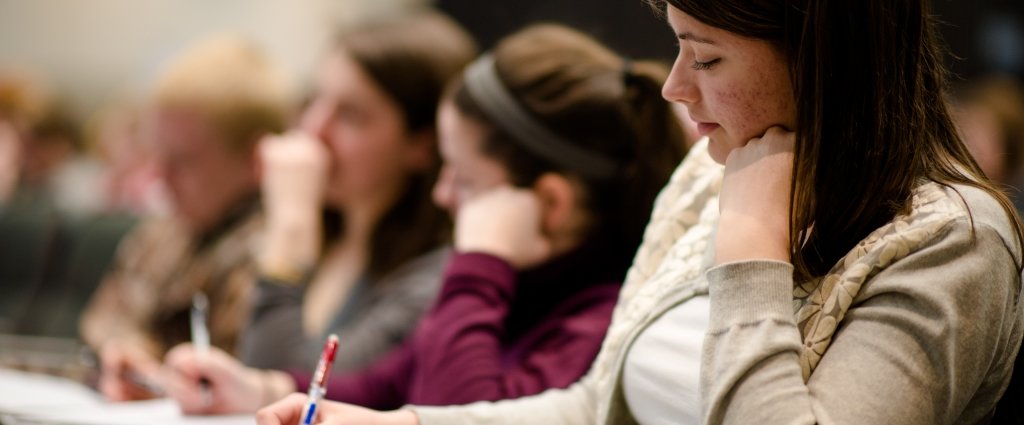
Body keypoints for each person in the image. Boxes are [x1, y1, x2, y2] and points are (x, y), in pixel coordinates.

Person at [256, 0, 1024, 424]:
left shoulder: (950, 241)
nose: (676, 86)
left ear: (823, 58)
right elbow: (598, 406)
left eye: (708, 56)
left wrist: (750, 256)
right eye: (676, 47)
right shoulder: (713, 170)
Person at [165, 23, 686, 415]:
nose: (441, 195)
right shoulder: (517, 290)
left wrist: (479, 264)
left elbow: (457, 417)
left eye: (464, 180)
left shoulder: (595, 323)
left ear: (551, 204)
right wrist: (257, 389)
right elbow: (382, 387)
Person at [230, 10, 476, 376]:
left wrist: (292, 225)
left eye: (350, 115)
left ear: (423, 146)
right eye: (316, 100)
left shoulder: (438, 277)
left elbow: (285, 389)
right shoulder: (331, 236)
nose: (314, 129)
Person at [79, 34, 293, 401]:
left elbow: (243, 369)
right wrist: (127, 353)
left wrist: (154, 374)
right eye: (157, 155)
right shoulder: (167, 229)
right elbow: (102, 317)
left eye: (184, 161)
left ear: (255, 160)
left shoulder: (276, 249)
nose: (160, 176)